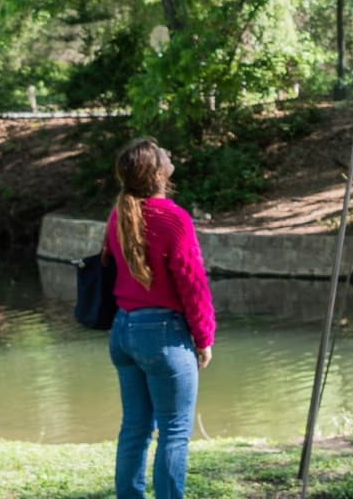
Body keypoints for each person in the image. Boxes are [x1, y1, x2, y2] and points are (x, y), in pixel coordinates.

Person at [105, 139, 216, 499]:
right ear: (156, 172)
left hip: (124, 330)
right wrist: (204, 338)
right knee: (174, 430)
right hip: (164, 335)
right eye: (164, 154)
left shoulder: (118, 214)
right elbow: (192, 283)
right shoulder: (173, 218)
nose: (170, 155)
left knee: (134, 428)